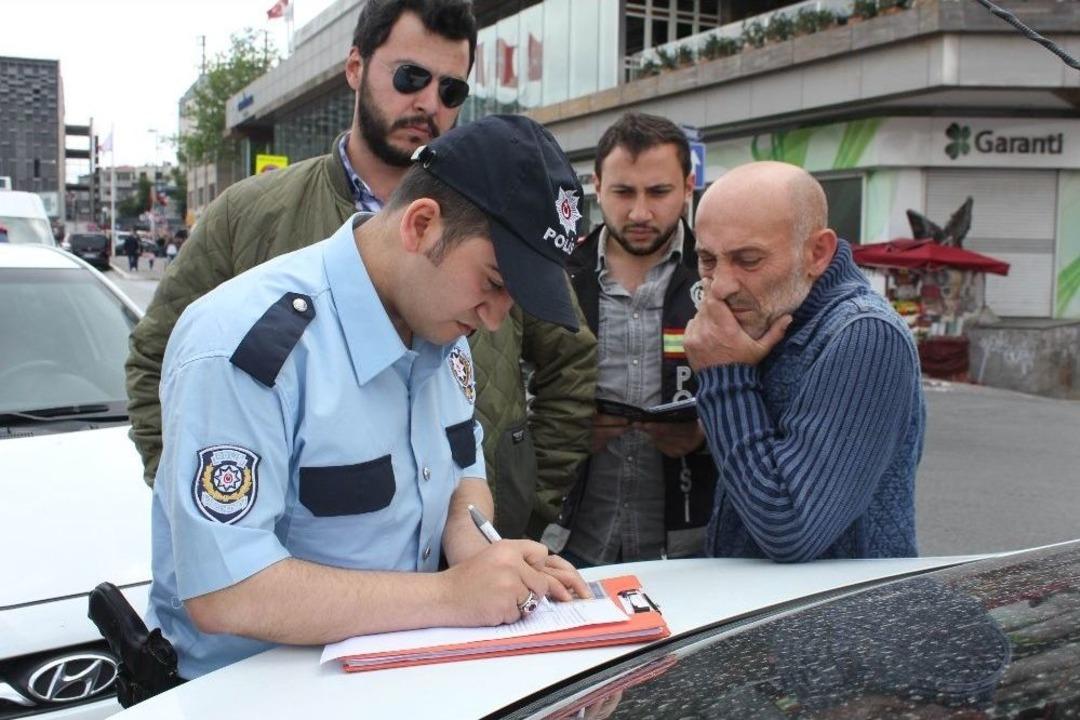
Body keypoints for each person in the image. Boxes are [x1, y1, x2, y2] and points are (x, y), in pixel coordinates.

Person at [125, 0, 595, 540]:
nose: (428, 103)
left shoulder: (501, 221)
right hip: (304, 585)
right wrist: (216, 507)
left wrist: (524, 504)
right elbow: (157, 360)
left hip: (473, 550)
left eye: (451, 90)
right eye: (410, 76)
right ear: (355, 68)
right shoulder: (248, 214)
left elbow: (571, 362)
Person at [146, 115, 592, 681]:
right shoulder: (245, 345)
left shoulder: (445, 334)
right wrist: (452, 595)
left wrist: (479, 548)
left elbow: (462, 471)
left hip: (400, 681)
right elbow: (227, 590)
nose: (497, 320)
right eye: (496, 284)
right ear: (422, 226)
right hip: (255, 697)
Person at [684, 160, 924, 561]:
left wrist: (724, 377)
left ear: (817, 253)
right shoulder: (775, 314)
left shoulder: (866, 333)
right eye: (708, 260)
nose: (720, 286)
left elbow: (790, 527)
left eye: (748, 260)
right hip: (777, 611)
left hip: (845, 619)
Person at [553, 113, 717, 566]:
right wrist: (561, 431)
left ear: (688, 187)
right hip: (568, 545)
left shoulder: (723, 276)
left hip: (693, 548)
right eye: (624, 192)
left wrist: (704, 435)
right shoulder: (554, 278)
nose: (640, 212)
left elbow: (768, 403)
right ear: (597, 185)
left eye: (659, 192)